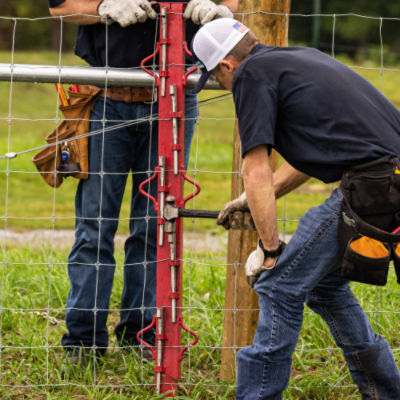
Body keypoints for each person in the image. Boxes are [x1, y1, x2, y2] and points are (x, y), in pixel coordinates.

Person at [192, 18, 400, 400]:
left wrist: (270, 251)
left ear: (226, 66)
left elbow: (254, 166)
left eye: (215, 78)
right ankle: (387, 391)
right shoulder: (297, 59)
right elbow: (317, 149)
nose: (221, 86)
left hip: (375, 183)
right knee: (324, 286)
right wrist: (253, 200)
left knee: (279, 285)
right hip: (389, 179)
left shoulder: (250, 76)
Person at [47, 0, 238, 366]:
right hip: (107, 97)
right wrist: (103, 6)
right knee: (95, 227)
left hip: (176, 97)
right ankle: (83, 342)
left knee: (155, 226)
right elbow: (62, 6)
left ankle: (142, 337)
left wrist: (217, 8)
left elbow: (234, 4)